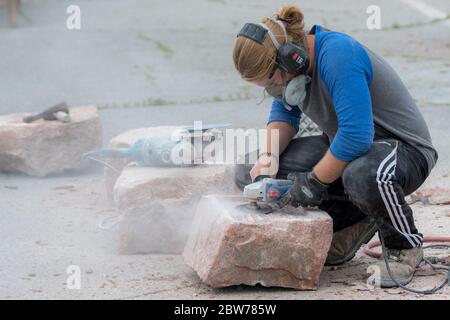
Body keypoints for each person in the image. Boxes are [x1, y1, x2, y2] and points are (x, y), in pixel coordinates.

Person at [232, 4, 438, 288]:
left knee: (362, 174)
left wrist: (313, 182)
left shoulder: (338, 55)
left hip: (402, 150)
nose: (273, 90)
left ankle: (404, 248)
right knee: (248, 171)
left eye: (271, 81)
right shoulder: (293, 68)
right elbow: (284, 113)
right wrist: (269, 158)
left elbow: (356, 135)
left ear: (291, 59)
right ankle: (352, 222)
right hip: (353, 149)